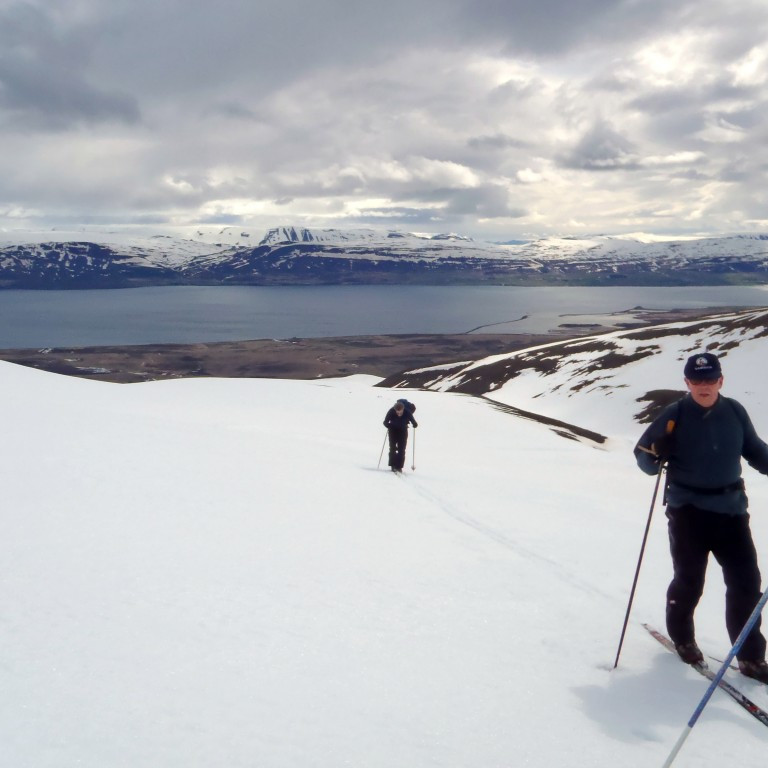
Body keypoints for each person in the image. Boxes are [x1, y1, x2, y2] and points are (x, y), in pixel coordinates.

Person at [634, 352, 768, 683]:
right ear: (687, 383)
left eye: (710, 380)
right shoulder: (674, 415)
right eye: (697, 380)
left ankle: (751, 658)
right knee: (690, 580)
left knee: (746, 584)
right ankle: (682, 638)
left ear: (721, 381)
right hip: (688, 512)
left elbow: (754, 450)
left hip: (731, 511)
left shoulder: (734, 411)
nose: (704, 386)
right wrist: (657, 453)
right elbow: (644, 458)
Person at [383, 400, 417, 473]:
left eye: (400, 412)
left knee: (401, 449)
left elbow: (412, 420)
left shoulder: (407, 412)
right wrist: (388, 425)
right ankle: (393, 465)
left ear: (403, 409)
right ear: (395, 409)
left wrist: (414, 424)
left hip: (403, 431)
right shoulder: (391, 411)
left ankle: (399, 467)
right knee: (392, 448)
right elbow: (385, 422)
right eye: (397, 412)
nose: (399, 413)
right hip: (392, 431)